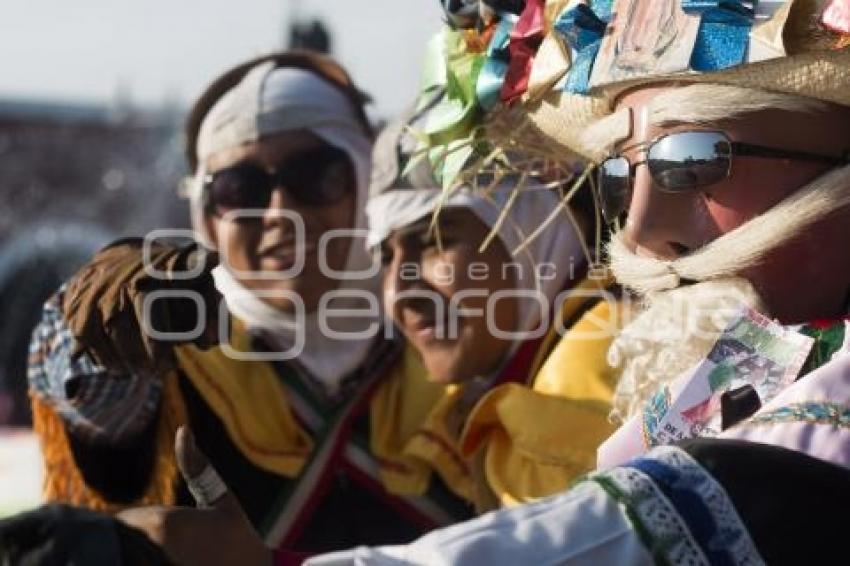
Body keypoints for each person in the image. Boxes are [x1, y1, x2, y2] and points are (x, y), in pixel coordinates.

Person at [26, 51, 474, 555]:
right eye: (241, 189)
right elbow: (89, 390)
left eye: (315, 176)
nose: (280, 213)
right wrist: (86, 314)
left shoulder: (452, 340)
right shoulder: (175, 351)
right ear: (207, 217)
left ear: (367, 181)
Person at [365, 95, 622, 509]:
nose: (398, 293)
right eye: (384, 257)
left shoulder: (574, 386)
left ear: (535, 225)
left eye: (435, 242)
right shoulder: (547, 357)